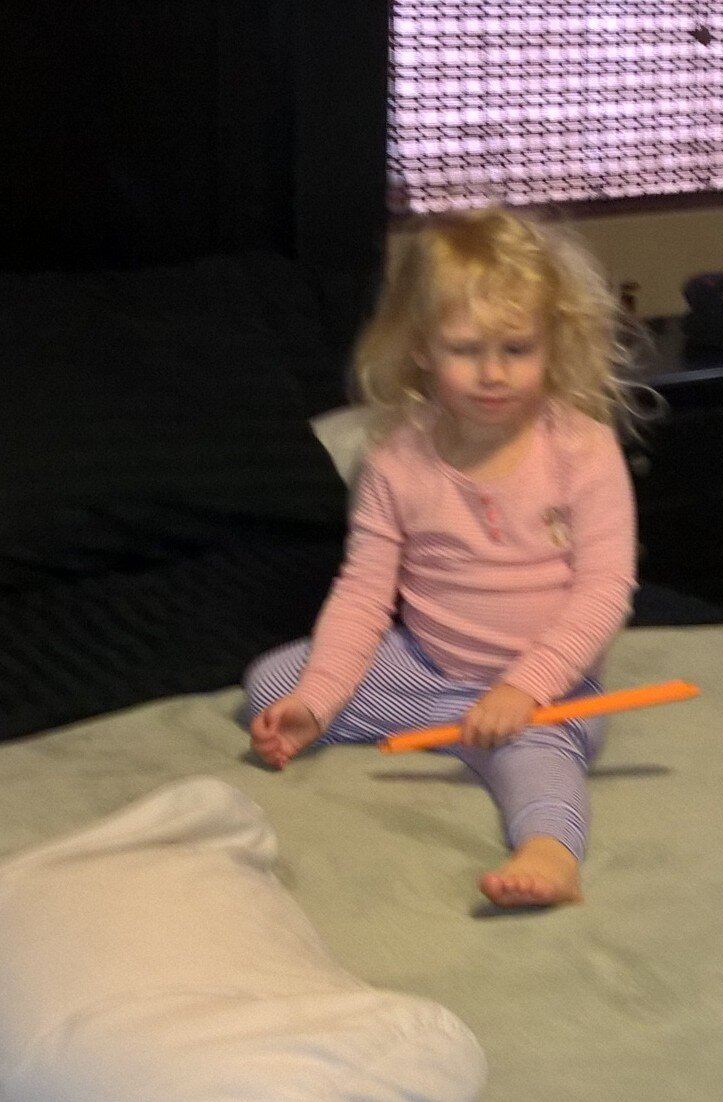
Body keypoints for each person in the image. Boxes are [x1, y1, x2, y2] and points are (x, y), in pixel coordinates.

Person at [244, 206, 638, 908]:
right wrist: (317, 700)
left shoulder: (583, 448)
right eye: (465, 350)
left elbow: (605, 591)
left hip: (549, 685)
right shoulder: (396, 459)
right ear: (421, 347)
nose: (493, 373)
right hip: (428, 665)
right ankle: (464, 732)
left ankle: (550, 852)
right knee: (273, 683)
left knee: (543, 757)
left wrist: (524, 689)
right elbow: (364, 592)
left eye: (517, 349)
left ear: (551, 343)